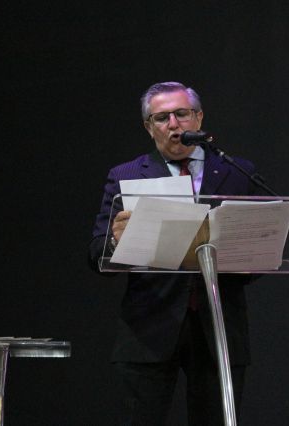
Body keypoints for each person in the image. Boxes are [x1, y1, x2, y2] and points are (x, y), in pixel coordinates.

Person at [89, 81, 257, 425]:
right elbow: (96, 253)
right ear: (148, 127)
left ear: (199, 118)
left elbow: (255, 254)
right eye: (162, 118)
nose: (174, 124)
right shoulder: (126, 175)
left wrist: (249, 252)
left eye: (182, 114)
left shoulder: (237, 172)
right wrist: (116, 242)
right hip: (149, 328)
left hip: (219, 327)